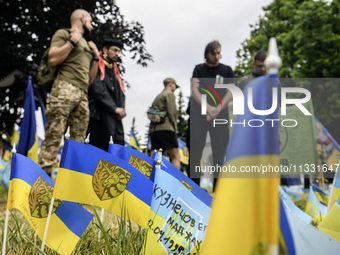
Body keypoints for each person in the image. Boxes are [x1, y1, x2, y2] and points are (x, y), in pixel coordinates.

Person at [38, 9, 100, 175]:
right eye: (89, 19)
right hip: (64, 89)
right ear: (81, 17)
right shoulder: (64, 33)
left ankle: (69, 191)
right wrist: (72, 41)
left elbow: (89, 80)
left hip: (82, 94)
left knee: (77, 144)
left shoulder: (87, 45)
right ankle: (42, 188)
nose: (91, 23)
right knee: (54, 137)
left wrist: (96, 58)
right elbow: (53, 58)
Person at [189, 40, 235, 189]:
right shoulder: (199, 69)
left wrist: (218, 108)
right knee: (195, 153)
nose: (217, 56)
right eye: (214, 53)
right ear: (207, 54)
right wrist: (208, 108)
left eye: (219, 53)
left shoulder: (227, 70)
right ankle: (194, 188)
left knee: (220, 153)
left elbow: (231, 91)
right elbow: (194, 90)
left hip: (220, 115)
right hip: (199, 115)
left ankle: (219, 189)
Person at [86, 39, 126, 150]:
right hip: (100, 117)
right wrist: (114, 108)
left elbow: (121, 93)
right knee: (100, 149)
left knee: (117, 149)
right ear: (105, 49)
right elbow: (96, 88)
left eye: (119, 51)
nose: (117, 53)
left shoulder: (115, 71)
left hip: (115, 119)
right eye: (114, 50)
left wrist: (121, 109)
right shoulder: (97, 65)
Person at [149, 78, 181, 169]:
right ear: (170, 84)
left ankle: (152, 180)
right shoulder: (169, 94)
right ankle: (175, 181)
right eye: (175, 86)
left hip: (154, 131)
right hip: (166, 129)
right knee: (176, 156)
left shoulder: (158, 97)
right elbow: (172, 112)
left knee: (154, 157)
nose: (175, 88)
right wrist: (174, 127)